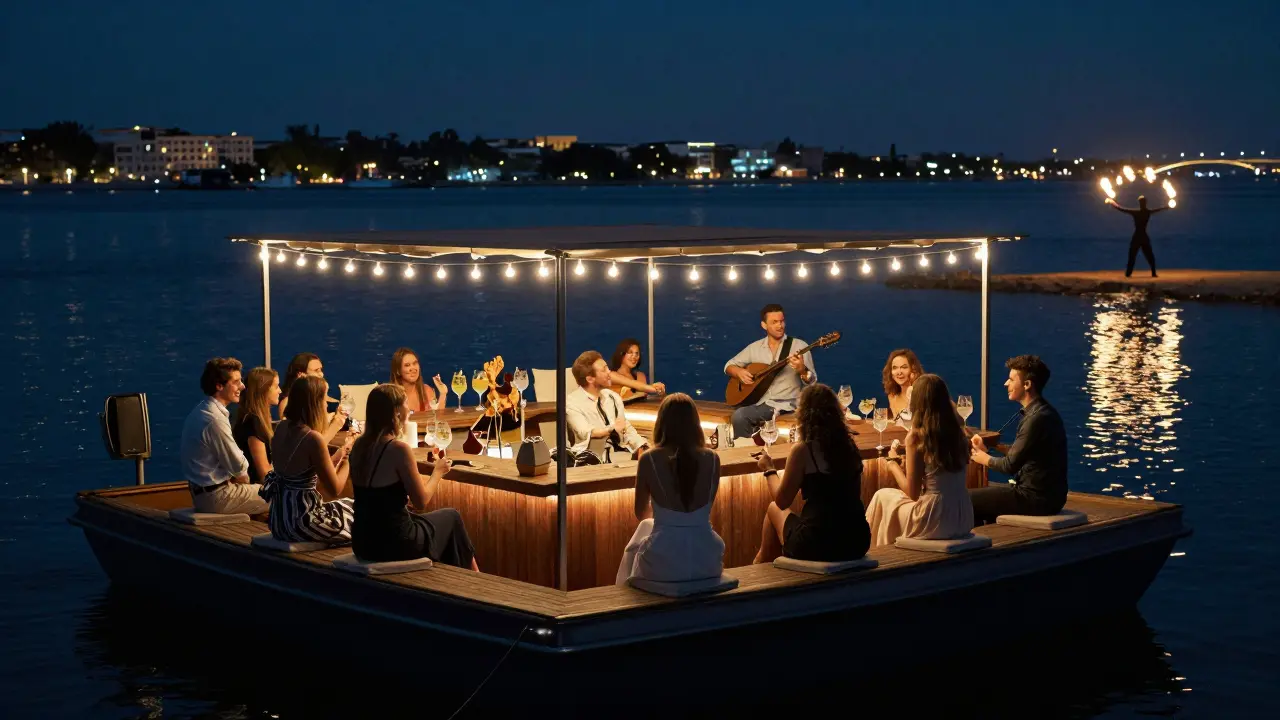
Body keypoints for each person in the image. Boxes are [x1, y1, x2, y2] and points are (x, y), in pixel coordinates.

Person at [350, 384, 478, 570]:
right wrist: (438, 471)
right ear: (396, 412)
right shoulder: (398, 449)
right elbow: (421, 501)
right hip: (394, 542)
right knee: (452, 517)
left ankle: (458, 582)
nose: (409, 409)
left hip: (363, 542)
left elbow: (376, 495)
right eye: (405, 404)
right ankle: (474, 580)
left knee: (426, 522)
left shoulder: (359, 446)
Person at [753, 384, 870, 563]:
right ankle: (769, 570)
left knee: (773, 508)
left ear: (803, 415)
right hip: (856, 540)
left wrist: (768, 468)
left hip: (817, 543)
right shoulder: (850, 447)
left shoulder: (803, 449)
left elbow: (782, 501)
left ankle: (759, 572)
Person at [617, 394, 725, 584]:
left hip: (663, 559)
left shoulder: (649, 459)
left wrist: (664, 512)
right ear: (695, 422)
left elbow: (641, 513)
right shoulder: (713, 459)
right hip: (706, 557)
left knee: (638, 542)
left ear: (661, 422)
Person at [865, 374, 974, 547]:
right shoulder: (960, 434)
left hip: (934, 517)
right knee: (888, 498)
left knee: (882, 496)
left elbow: (912, 493)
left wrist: (893, 464)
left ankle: (877, 553)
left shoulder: (916, 437)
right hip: (962, 514)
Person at [969, 355, 1068, 524]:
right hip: (1049, 496)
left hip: (1036, 498)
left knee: (965, 498)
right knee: (983, 497)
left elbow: (1009, 466)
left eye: (1011, 379)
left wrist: (982, 458)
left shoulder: (1035, 419)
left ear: (1027, 384)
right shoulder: (1042, 412)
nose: (1006, 384)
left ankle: (973, 545)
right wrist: (997, 447)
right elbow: (1030, 454)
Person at [259, 376, 357, 544]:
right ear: (314, 403)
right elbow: (335, 489)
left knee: (351, 505)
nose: (326, 405)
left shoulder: (282, 427)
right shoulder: (312, 438)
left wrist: (342, 451)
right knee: (366, 518)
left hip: (280, 520)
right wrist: (349, 460)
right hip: (302, 521)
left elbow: (308, 470)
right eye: (324, 400)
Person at [179, 358, 269, 515]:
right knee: (283, 495)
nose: (242, 386)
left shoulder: (202, 410)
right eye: (236, 382)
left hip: (203, 494)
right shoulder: (214, 419)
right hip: (217, 497)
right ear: (219, 385)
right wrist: (243, 480)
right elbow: (239, 467)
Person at [724, 303, 817, 440]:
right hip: (759, 403)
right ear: (764, 325)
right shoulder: (754, 348)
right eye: (774, 322)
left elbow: (812, 381)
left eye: (782, 321)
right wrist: (739, 373)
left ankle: (750, 451)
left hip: (785, 404)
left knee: (739, 416)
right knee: (739, 414)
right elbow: (728, 366)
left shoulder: (799, 347)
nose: (780, 326)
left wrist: (802, 370)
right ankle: (756, 448)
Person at [566, 350, 649, 459]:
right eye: (604, 369)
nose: (609, 372)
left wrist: (642, 445)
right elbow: (586, 432)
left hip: (621, 453)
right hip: (592, 458)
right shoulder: (572, 402)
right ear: (590, 379)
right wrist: (612, 429)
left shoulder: (612, 397)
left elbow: (626, 429)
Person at [278, 352, 347, 443]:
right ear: (301, 375)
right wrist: (333, 423)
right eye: (316, 370)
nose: (321, 374)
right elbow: (301, 442)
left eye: (321, 370)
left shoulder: (320, 397)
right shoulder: (288, 402)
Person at [232, 367, 281, 485]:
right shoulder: (253, 423)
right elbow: (264, 475)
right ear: (264, 390)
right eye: (276, 386)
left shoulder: (259, 420)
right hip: (256, 489)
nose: (280, 391)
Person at [1106, 195, 1167, 278]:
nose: (1142, 204)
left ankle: (1132, 273)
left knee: (1138, 255)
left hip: (1138, 236)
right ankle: (1148, 273)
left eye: (1142, 202)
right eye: (1142, 202)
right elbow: (1158, 210)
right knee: (1143, 255)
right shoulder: (1146, 212)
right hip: (1142, 236)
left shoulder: (1139, 213)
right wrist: (1167, 207)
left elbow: (1122, 209)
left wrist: (1113, 203)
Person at [390, 347, 448, 413]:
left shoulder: (427, 391)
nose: (413, 368)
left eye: (415, 363)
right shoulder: (389, 396)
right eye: (407, 365)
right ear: (398, 371)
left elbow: (437, 418)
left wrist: (443, 394)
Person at [882, 348, 924, 422]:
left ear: (913, 369)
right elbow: (898, 424)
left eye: (904, 367)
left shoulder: (924, 393)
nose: (899, 372)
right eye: (895, 368)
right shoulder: (892, 396)